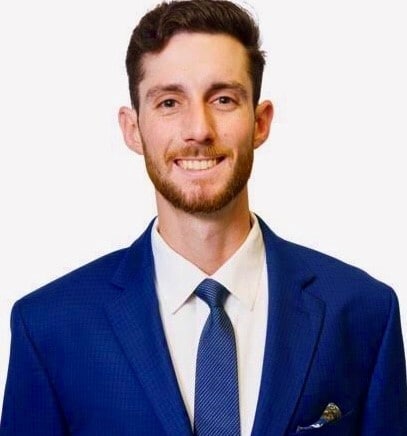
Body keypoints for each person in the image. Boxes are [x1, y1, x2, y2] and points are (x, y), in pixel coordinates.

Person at [1, 0, 406, 434]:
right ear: (133, 129)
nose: (199, 129)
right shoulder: (49, 327)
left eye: (224, 99)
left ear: (260, 122)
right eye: (169, 102)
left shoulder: (362, 311)